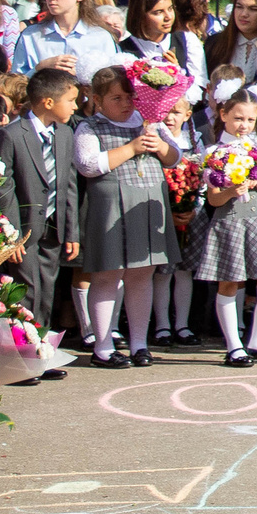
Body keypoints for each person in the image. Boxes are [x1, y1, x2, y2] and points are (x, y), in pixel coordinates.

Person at [73, 63, 173, 368]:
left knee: (142, 275)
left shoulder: (149, 122)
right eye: (116, 98)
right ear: (97, 100)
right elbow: (88, 165)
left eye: (130, 96)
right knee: (107, 276)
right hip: (111, 209)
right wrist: (131, 148)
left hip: (145, 204)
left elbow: (175, 158)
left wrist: (161, 146)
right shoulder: (89, 127)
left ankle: (140, 344)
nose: (126, 103)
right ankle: (102, 347)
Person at [186, 82, 257, 367]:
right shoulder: (214, 153)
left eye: (250, 120)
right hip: (230, 221)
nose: (244, 125)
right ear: (223, 116)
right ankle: (234, 346)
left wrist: (255, 180)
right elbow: (215, 201)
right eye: (238, 118)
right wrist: (232, 189)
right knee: (230, 282)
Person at [0, 67, 82, 372]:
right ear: (48, 102)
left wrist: (71, 231)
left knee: (46, 291)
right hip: (24, 231)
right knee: (26, 291)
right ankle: (20, 358)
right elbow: (4, 186)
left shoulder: (65, 133)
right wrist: (11, 235)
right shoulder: (11, 135)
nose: (75, 106)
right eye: (71, 100)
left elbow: (68, 184)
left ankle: (41, 353)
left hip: (54, 227)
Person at [10, 0, 121, 80]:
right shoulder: (31, 35)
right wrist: (40, 68)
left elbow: (111, 83)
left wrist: (82, 78)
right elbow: (15, 83)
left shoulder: (100, 37)